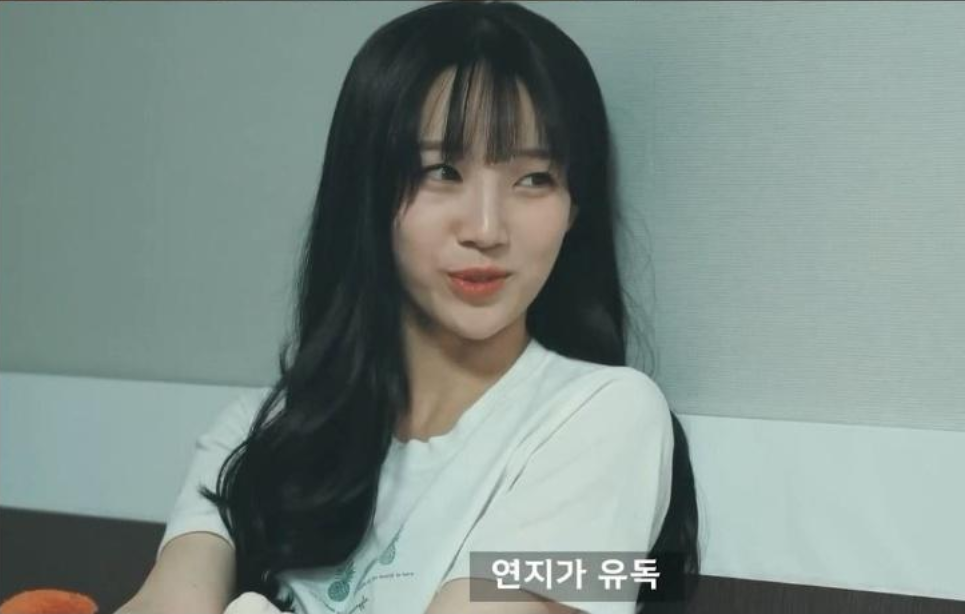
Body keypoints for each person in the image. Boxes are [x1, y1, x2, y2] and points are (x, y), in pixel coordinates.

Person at [146, 2, 700, 613]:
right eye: (442, 171)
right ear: (367, 192)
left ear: (575, 207)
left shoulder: (610, 420)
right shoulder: (265, 431)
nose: (486, 229)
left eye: (535, 178)